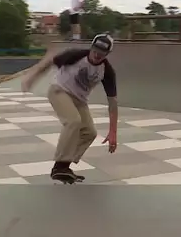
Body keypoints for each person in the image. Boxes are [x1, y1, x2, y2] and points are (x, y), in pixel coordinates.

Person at [21, 33, 118, 182]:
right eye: (95, 51)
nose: (97, 56)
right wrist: (31, 77)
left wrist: (113, 133)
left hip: (79, 100)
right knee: (73, 121)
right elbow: (48, 63)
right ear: (91, 47)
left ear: (107, 54)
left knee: (90, 133)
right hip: (59, 90)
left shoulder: (107, 71)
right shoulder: (76, 55)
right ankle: (60, 166)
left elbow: (113, 103)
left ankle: (63, 166)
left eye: (101, 54)